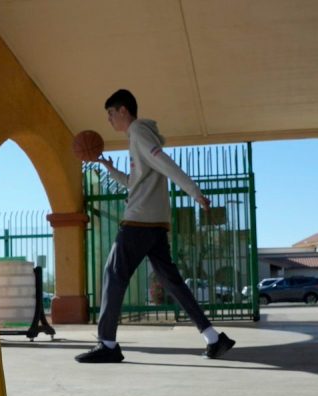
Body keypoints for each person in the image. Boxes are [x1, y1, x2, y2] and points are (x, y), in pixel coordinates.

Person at [76, 89, 235, 363]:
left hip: (139, 221)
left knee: (113, 274)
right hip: (156, 223)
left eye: (111, 113)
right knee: (172, 282)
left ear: (124, 110)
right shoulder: (138, 136)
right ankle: (213, 338)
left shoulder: (138, 132)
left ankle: (108, 344)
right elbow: (136, 182)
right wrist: (110, 168)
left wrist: (193, 191)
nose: (109, 120)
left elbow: (163, 162)